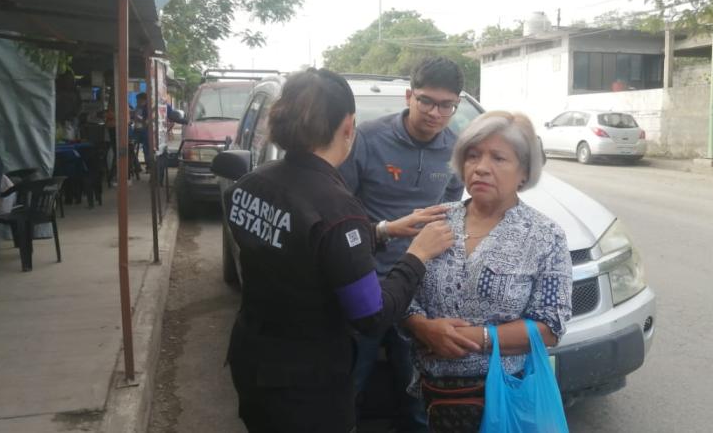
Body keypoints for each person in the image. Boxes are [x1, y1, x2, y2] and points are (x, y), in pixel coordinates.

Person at [223, 68, 454, 433]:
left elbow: (302, 247)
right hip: (307, 384)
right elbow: (371, 316)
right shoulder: (336, 209)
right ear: (349, 127)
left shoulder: (251, 184)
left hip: (252, 358)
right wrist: (417, 256)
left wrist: (382, 231)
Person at [402, 111, 574, 432]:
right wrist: (422, 327)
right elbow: (404, 294)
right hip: (434, 396)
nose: (481, 167)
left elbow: (551, 326)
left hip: (503, 398)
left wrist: (474, 338)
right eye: (473, 155)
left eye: (498, 158)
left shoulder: (544, 235)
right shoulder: (436, 220)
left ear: (523, 171)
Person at [339, 57, 466, 432]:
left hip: (419, 287)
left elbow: (452, 206)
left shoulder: (456, 150)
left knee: (417, 393)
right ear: (409, 95)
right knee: (350, 385)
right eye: (426, 100)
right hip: (367, 282)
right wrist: (383, 230)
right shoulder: (368, 138)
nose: (435, 112)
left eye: (446, 105)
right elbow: (337, 208)